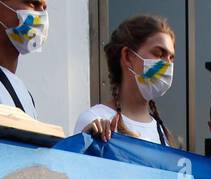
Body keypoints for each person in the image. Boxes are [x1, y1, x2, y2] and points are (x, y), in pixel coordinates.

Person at [75, 15, 178, 146]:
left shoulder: (162, 135)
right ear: (128, 57)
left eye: (171, 58)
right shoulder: (94, 120)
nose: (167, 64)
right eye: (158, 53)